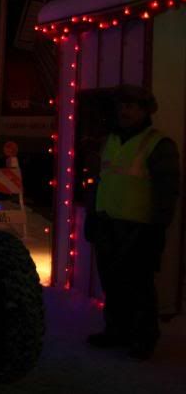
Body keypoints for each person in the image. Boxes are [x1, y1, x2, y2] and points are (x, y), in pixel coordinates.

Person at [84, 84, 180, 360]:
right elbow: (100, 181)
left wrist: (157, 229)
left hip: (138, 228)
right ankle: (117, 331)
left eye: (131, 106)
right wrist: (92, 215)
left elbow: (167, 192)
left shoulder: (158, 144)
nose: (124, 111)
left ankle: (143, 338)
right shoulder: (110, 141)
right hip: (107, 224)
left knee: (139, 285)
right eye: (121, 105)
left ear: (145, 110)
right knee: (112, 283)